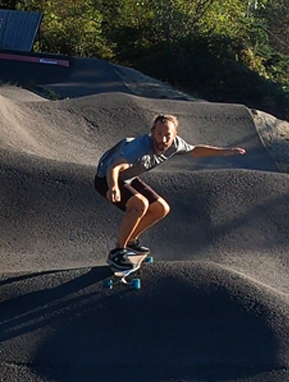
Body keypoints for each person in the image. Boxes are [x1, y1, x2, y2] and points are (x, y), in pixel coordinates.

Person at [94, 114, 246, 271]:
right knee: (140, 204)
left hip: (128, 178)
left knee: (161, 208)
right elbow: (115, 167)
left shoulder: (176, 144)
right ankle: (118, 252)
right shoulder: (139, 148)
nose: (163, 140)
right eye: (159, 134)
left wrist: (222, 152)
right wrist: (113, 187)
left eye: (168, 135)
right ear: (152, 132)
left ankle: (131, 240)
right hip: (107, 179)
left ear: (175, 135)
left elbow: (195, 150)